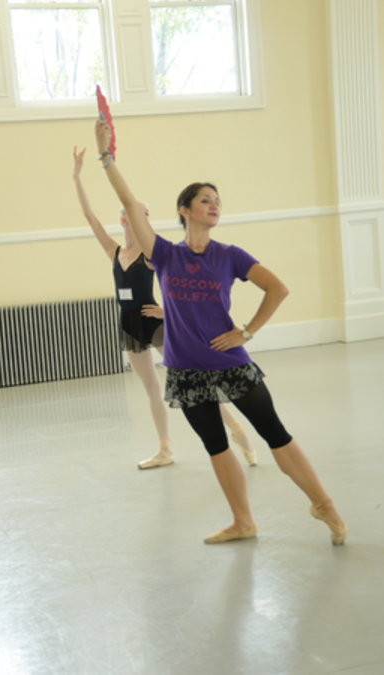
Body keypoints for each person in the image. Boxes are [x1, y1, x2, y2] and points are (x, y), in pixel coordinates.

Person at [94, 119, 347, 546]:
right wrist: (106, 157)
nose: (214, 206)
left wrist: (246, 331)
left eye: (217, 201)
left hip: (229, 362)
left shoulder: (229, 255)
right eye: (205, 200)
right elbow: (130, 203)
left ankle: (324, 504)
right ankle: (242, 521)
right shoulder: (164, 254)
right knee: (215, 445)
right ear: (185, 210)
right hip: (186, 370)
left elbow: (278, 288)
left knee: (275, 434)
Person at [72, 145, 258, 470]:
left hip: (156, 323)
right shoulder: (114, 251)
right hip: (130, 325)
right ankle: (165, 448)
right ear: (123, 219)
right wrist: (77, 176)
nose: (138, 217)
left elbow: (180, 283)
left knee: (194, 382)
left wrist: (167, 312)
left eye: (144, 214)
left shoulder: (150, 252)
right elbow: (90, 217)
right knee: (152, 389)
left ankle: (237, 430)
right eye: (133, 213)